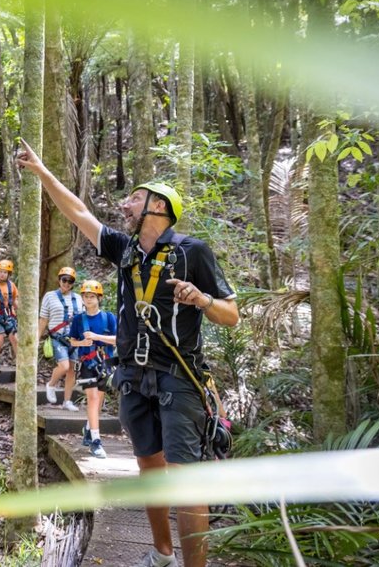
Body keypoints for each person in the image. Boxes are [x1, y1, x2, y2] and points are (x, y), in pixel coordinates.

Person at [17, 139, 239, 567]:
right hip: (134, 377)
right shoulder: (126, 251)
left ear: (159, 207)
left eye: (135, 198)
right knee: (149, 471)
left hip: (180, 377)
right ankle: (161, 556)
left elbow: (232, 314)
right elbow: (79, 213)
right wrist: (43, 173)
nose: (125, 205)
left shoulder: (193, 252)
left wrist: (203, 301)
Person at [70, 280, 117, 459]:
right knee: (93, 398)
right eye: (85, 296)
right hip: (87, 364)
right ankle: (96, 441)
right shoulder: (78, 320)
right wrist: (82, 343)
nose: (88, 299)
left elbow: (118, 339)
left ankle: (89, 429)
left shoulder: (108, 318)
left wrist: (97, 337)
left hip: (105, 363)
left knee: (99, 401)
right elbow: (72, 341)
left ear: (99, 298)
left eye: (91, 296)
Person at [39, 266, 82, 412]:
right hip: (57, 337)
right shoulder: (49, 296)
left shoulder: (78, 298)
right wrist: (36, 338)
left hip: (74, 339)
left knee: (72, 371)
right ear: (59, 280)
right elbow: (43, 319)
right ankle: (51, 384)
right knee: (64, 366)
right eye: (64, 280)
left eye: (70, 281)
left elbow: (82, 321)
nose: (67, 283)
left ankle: (67, 401)